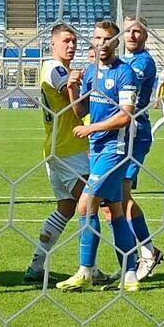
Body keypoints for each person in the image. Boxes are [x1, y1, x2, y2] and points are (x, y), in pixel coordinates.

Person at [56, 20, 141, 293]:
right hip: (97, 149)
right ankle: (129, 274)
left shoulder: (125, 73)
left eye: (107, 38)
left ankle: (85, 271)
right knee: (113, 209)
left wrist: (92, 127)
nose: (101, 43)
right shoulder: (91, 72)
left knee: (86, 204)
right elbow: (80, 111)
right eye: (97, 38)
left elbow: (126, 115)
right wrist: (71, 87)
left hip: (115, 150)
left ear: (115, 42)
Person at [23, 23, 91, 284]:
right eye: (66, 41)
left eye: (74, 41)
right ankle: (89, 268)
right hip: (68, 149)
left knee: (66, 207)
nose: (71, 45)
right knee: (93, 204)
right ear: (52, 44)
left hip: (56, 148)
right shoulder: (55, 68)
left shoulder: (57, 68)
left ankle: (36, 265)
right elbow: (79, 108)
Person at [118, 16, 163, 279]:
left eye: (137, 32)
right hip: (119, 134)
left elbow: (125, 88)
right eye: (128, 32)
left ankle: (147, 252)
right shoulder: (124, 61)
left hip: (136, 133)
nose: (132, 36)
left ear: (145, 36)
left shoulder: (143, 62)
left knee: (122, 197)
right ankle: (134, 257)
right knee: (112, 200)